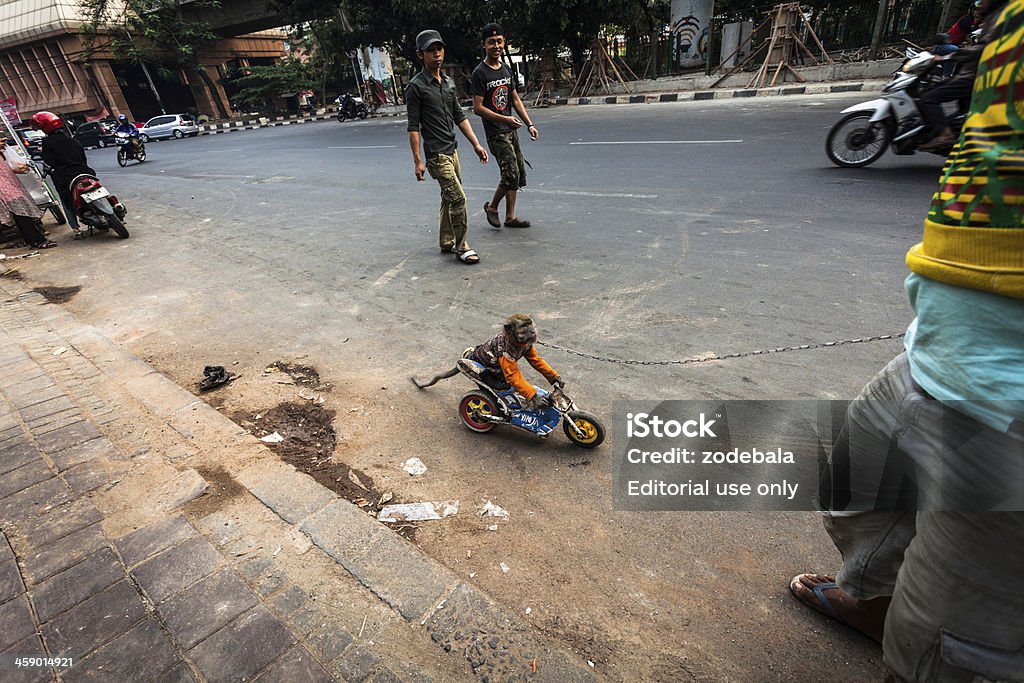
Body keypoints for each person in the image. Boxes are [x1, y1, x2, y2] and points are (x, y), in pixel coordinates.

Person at [791, 2, 1024, 680]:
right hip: (938, 346)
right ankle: (873, 601)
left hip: (1007, 402)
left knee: (950, 648)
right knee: (857, 495)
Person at [406, 29, 488, 265]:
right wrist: (418, 160)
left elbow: (459, 117)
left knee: (448, 197)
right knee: (458, 199)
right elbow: (413, 127)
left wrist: (475, 144)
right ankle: (462, 246)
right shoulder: (416, 87)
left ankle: (445, 240)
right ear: (420, 54)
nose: (437, 54)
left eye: (439, 49)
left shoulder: (449, 83)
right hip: (436, 155)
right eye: (431, 51)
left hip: (453, 150)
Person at [471, 23, 538, 229]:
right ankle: (492, 207)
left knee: (517, 171)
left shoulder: (506, 69)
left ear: (504, 42)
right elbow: (478, 108)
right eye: (491, 42)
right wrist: (505, 119)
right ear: (484, 45)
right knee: (510, 174)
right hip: (496, 133)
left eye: (499, 41)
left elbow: (515, 100)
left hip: (511, 130)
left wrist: (529, 124)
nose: (496, 46)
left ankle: (510, 217)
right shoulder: (480, 73)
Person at [918, 0, 1006, 151]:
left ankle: (945, 135)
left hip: (972, 76)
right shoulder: (984, 19)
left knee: (928, 98)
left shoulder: (995, 20)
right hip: (970, 72)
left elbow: (981, 49)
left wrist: (948, 57)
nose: (980, 6)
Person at [468, 313, 563, 410]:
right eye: (524, 326)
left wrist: (553, 376)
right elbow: (512, 376)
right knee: (502, 389)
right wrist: (533, 397)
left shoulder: (523, 342)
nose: (531, 331)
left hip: (499, 366)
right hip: (487, 368)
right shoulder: (505, 349)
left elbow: (535, 360)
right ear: (509, 330)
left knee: (515, 382)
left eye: (529, 325)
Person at [31, 111, 92, 238]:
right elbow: (83, 158)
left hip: (65, 177)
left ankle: (76, 229)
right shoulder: (73, 140)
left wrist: (46, 170)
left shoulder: (47, 143)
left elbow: (49, 162)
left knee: (67, 202)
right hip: (85, 172)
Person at [0, 137, 57, 249]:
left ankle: (33, 240)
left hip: (10, 186)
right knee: (22, 216)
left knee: (21, 216)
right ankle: (37, 241)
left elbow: (12, 167)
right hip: (6, 190)